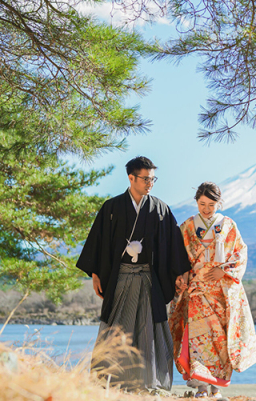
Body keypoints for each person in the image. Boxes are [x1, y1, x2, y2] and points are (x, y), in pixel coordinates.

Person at [76, 156, 191, 392]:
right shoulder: (111, 207)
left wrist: (180, 273)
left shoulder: (160, 209)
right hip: (120, 277)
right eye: (145, 179)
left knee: (149, 328)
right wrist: (95, 274)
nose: (150, 183)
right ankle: (108, 380)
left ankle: (147, 381)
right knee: (116, 325)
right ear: (131, 178)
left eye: (153, 179)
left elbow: (173, 244)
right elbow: (98, 241)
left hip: (149, 278)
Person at [169, 182, 256, 398]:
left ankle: (216, 388)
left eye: (211, 204)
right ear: (196, 202)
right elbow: (177, 256)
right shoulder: (187, 226)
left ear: (219, 203)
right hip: (196, 291)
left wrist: (224, 271)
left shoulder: (228, 225)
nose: (206, 209)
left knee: (220, 340)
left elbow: (240, 252)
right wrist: (182, 276)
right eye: (202, 204)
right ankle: (201, 387)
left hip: (220, 292)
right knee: (197, 340)